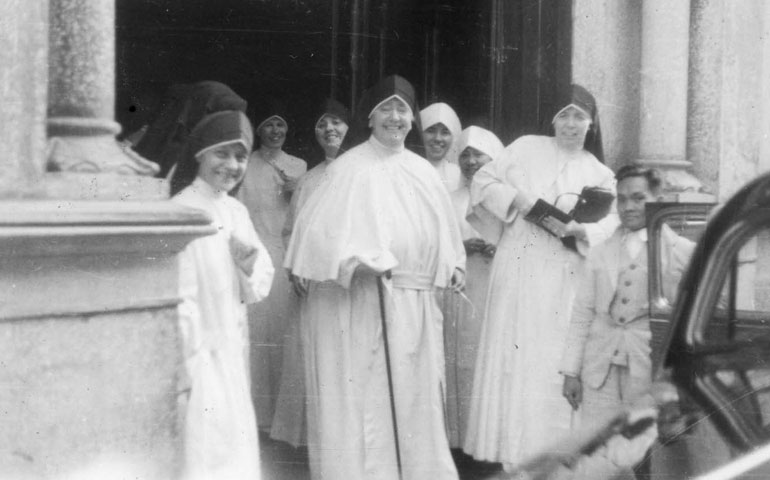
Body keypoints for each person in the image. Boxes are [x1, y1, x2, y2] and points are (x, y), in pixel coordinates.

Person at [284, 75, 466, 480]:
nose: (396, 117)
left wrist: (454, 266)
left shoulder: (423, 171)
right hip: (364, 306)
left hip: (417, 308)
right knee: (370, 405)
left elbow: (448, 236)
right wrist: (356, 263)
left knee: (416, 404)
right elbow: (316, 242)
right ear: (369, 118)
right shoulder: (349, 169)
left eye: (403, 109)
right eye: (387, 108)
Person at [463, 84, 619, 472]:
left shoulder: (599, 173)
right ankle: (511, 458)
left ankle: (551, 460)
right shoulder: (525, 148)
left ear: (591, 123)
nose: (570, 124)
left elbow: (614, 222)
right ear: (552, 120)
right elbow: (483, 181)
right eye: (563, 115)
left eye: (578, 117)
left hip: (565, 275)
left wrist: (582, 232)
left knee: (553, 361)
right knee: (516, 356)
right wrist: (518, 201)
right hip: (519, 267)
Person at [559, 164, 695, 479]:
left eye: (638, 197)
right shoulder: (600, 251)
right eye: (621, 199)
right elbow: (582, 313)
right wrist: (570, 372)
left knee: (643, 451)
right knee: (598, 447)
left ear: (658, 198)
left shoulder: (682, 252)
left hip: (647, 368)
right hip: (600, 368)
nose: (628, 207)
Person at [173, 110, 275, 479]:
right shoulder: (180, 212)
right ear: (200, 153)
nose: (232, 165)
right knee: (203, 449)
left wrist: (247, 264)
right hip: (198, 355)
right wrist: (190, 364)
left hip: (232, 348)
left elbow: (261, 280)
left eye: (241, 156)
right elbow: (178, 299)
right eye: (222, 153)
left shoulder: (235, 210)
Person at [270, 98, 351, 447]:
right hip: (311, 287)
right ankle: (309, 438)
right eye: (322, 124)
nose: (329, 129)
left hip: (347, 286)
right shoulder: (309, 179)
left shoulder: (359, 172)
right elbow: (292, 231)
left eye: (336, 122)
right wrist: (294, 268)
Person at [236, 100, 307, 430]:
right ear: (259, 129)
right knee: (257, 334)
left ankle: (284, 419)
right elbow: (237, 216)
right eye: (269, 125)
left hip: (287, 256)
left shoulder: (299, 165)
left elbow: (307, 219)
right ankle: (258, 417)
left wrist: (298, 194)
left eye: (280, 125)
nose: (275, 131)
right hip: (255, 255)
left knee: (284, 334)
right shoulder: (246, 166)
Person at [442, 125, 504, 448]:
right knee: (459, 359)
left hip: (494, 285)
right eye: (464, 154)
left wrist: (500, 248)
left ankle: (487, 439)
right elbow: (440, 242)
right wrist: (464, 248)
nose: (470, 160)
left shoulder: (502, 197)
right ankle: (459, 437)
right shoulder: (449, 199)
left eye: (477, 153)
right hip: (461, 288)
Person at [420, 102, 463, 192]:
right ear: (420, 133)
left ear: (454, 137)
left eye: (445, 132)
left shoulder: (459, 176)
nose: (438, 138)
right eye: (431, 131)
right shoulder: (406, 170)